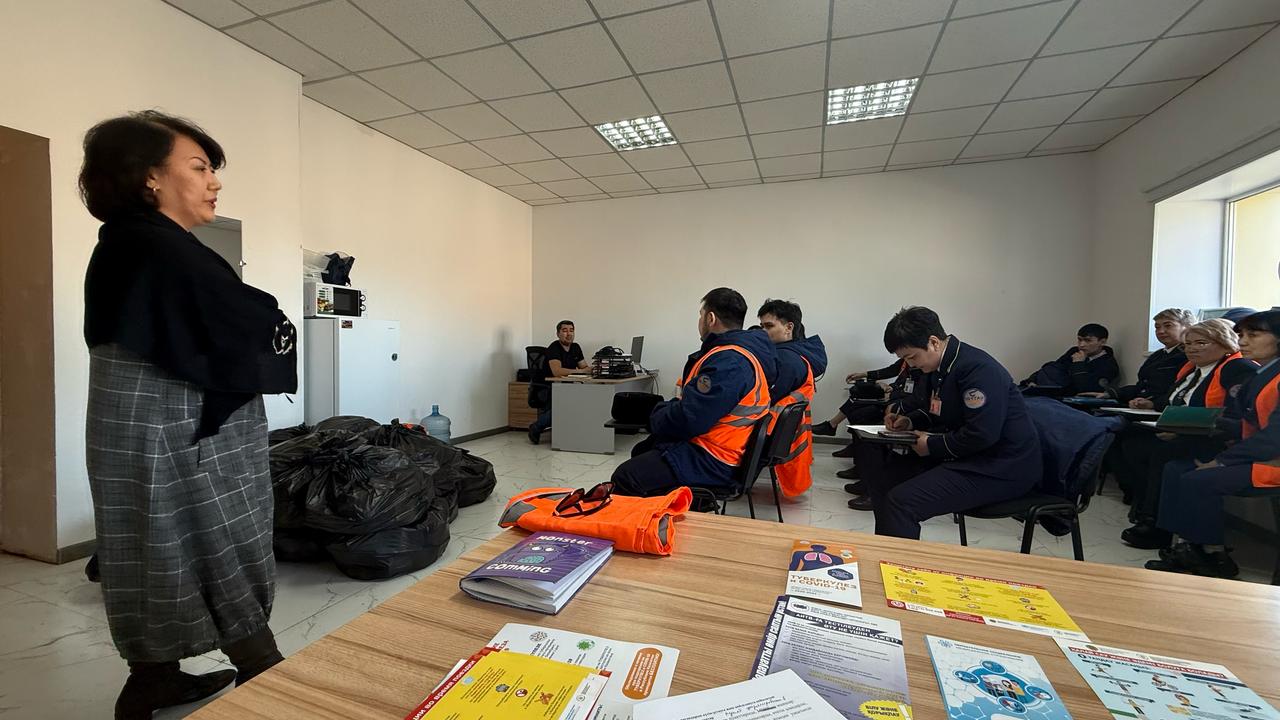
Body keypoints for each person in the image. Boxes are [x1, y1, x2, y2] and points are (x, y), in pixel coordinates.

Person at [80, 111, 296, 718]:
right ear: (149, 176)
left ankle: (153, 680)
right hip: (173, 428)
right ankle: (264, 671)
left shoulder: (133, 243)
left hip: (138, 427)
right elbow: (239, 321)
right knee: (213, 531)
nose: (214, 182)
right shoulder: (153, 245)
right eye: (199, 167)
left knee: (147, 539)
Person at [860, 307, 1041, 539]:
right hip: (967, 456)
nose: (910, 365)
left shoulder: (977, 370)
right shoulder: (938, 369)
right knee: (883, 480)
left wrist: (932, 445)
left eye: (912, 357)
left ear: (933, 342)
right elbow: (939, 410)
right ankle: (884, 554)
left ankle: (898, 562)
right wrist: (909, 421)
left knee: (902, 502)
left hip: (1000, 467)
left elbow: (982, 434)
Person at [1145, 310, 1280, 578]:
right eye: (1241, 334)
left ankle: (1213, 555)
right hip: (1256, 453)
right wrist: (1203, 426)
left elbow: (1273, 437)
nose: (1243, 341)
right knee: (1175, 468)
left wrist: (1221, 461)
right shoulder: (1264, 373)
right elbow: (1243, 423)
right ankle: (1184, 547)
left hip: (1272, 461)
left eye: (1253, 335)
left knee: (1198, 479)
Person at [611, 288, 776, 502]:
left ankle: (654, 518)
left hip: (715, 457)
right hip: (724, 447)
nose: (700, 321)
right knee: (643, 449)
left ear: (710, 318)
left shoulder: (729, 362)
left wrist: (656, 415)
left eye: (701, 315)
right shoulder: (743, 353)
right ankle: (669, 510)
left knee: (626, 477)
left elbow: (690, 419)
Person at [1114, 319, 1254, 548]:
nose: (1192, 348)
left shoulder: (1236, 368)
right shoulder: (1192, 370)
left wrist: (1184, 429)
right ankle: (1145, 507)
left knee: (1161, 453)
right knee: (1130, 442)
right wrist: (1152, 404)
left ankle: (1154, 523)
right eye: (1188, 344)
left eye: (1201, 343)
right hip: (1183, 431)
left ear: (1225, 343)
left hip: (1215, 438)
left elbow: (1233, 414)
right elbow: (1175, 400)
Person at [757, 299, 827, 497]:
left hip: (764, 434)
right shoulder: (799, 353)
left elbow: (763, 400)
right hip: (776, 434)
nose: (763, 332)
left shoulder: (786, 360)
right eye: (761, 327)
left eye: (769, 326)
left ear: (789, 328)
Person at [1081, 309, 1192, 406]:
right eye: (1157, 327)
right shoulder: (1157, 356)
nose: (1161, 331)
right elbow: (1141, 387)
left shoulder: (1190, 356)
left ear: (1187, 328)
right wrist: (1111, 393)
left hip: (1160, 409)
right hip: (1138, 404)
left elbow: (1180, 390)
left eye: (1168, 326)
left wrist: (1153, 404)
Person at [527, 320, 589, 445]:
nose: (569, 334)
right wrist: (579, 371)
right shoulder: (554, 348)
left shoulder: (576, 347)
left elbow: (584, 367)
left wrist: (597, 369)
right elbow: (557, 371)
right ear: (558, 333)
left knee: (581, 401)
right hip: (547, 387)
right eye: (565, 331)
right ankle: (536, 427)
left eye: (571, 330)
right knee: (564, 407)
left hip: (565, 387)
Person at [1020, 323, 1120, 394]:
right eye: (1079, 340)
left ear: (1102, 342)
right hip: (1051, 391)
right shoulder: (1074, 351)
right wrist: (1032, 380)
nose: (1081, 345)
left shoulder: (1108, 365)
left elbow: (1086, 388)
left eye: (1088, 341)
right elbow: (1054, 368)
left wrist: (1078, 364)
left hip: (1072, 400)